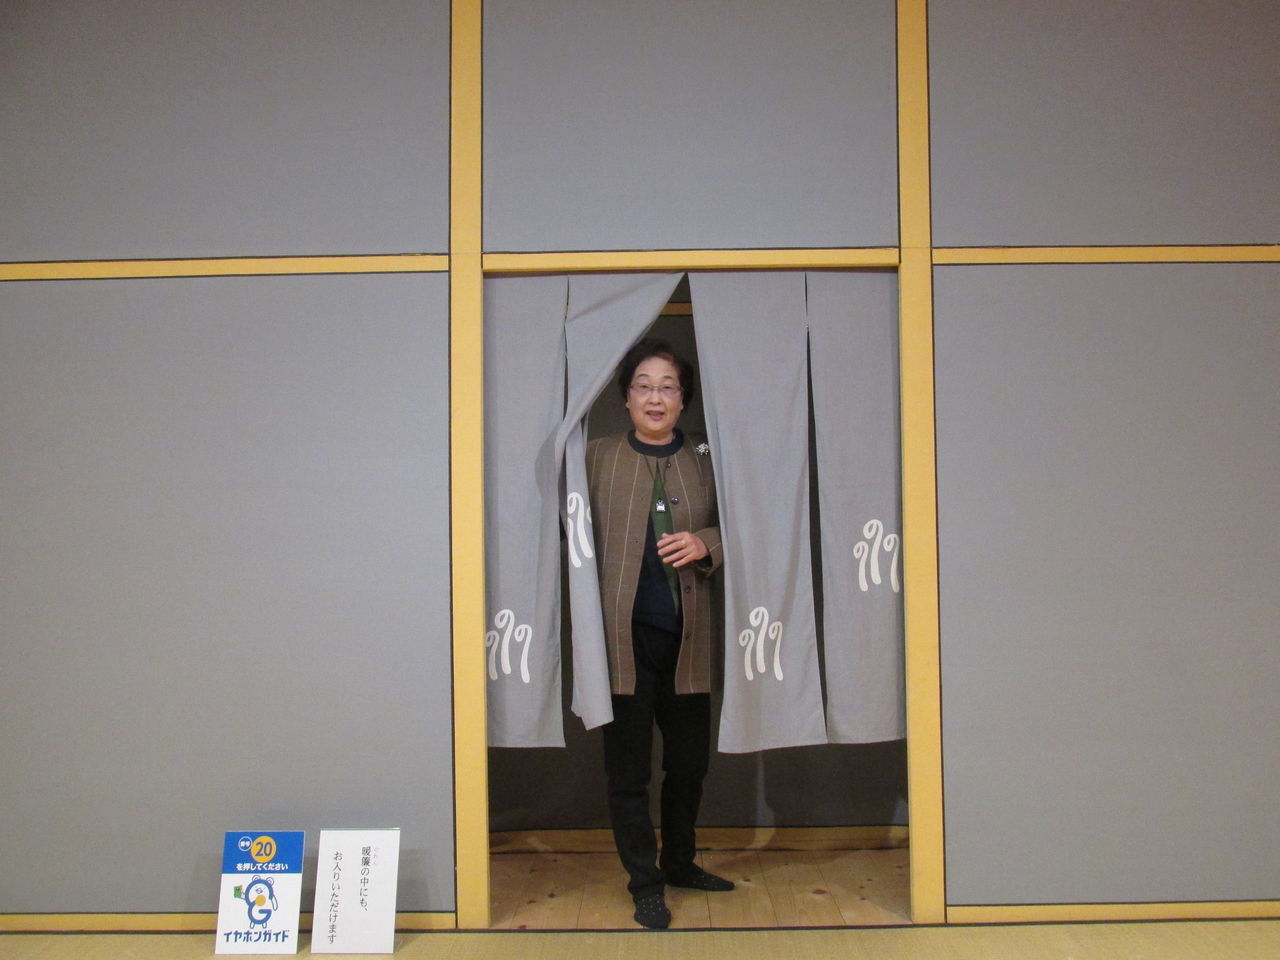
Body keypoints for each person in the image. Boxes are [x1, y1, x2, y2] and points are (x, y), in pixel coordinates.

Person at [585, 338, 735, 930]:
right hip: (620, 642)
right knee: (627, 772)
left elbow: (750, 519)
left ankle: (679, 862)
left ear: (683, 398)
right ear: (626, 398)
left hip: (689, 637)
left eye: (667, 387)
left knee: (689, 763)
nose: (655, 397)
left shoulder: (708, 456)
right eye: (643, 386)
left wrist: (707, 542)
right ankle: (644, 884)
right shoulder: (594, 456)